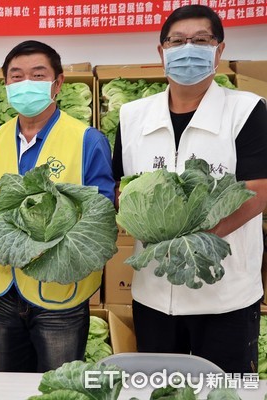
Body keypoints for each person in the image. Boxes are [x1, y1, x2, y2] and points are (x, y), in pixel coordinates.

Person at [112, 5, 267, 373]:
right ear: (161, 51)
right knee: (160, 390)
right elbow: (123, 187)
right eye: (177, 41)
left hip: (226, 298)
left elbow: (259, 190)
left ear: (219, 50)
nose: (188, 49)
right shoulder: (131, 116)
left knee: (224, 393)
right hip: (151, 294)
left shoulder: (247, 110)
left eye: (200, 41)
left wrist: (195, 242)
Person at [0, 40, 114, 373]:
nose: (25, 84)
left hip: (60, 293)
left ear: (58, 82)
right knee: (8, 385)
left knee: (57, 386)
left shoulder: (86, 139)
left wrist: (46, 246)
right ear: (5, 83)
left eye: (37, 75)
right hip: (5, 288)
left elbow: (101, 214)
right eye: (16, 76)